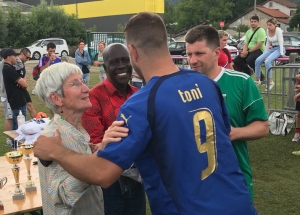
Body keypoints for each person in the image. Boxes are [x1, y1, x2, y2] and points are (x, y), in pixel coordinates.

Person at [33, 12, 257, 215]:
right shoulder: (207, 84)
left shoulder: (141, 103)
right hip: (238, 204)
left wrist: (56, 151)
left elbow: (103, 173)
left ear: (132, 52)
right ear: (165, 43)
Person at [185, 25, 269, 202]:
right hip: (192, 183)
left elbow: (262, 127)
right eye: (189, 54)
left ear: (217, 53)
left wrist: (233, 132)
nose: (192, 61)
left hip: (234, 179)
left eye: (199, 54)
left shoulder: (241, 82)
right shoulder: (180, 86)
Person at [81, 43, 146, 215]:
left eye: (125, 60)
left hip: (137, 179)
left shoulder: (138, 95)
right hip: (110, 183)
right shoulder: (94, 98)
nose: (121, 66)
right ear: (105, 67)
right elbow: (97, 144)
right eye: (114, 62)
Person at [35, 62, 106, 215]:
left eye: (83, 82)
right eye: (75, 84)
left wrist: (91, 155)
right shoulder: (52, 139)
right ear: (56, 98)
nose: (86, 89)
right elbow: (60, 198)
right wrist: (93, 164)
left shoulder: (75, 130)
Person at [255, 18, 286, 91]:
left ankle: (270, 81)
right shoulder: (267, 31)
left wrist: (281, 53)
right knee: (258, 60)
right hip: (272, 48)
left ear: (275, 25)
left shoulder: (278, 30)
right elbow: (268, 43)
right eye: (267, 25)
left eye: (270, 25)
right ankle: (257, 80)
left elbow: (281, 41)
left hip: (279, 48)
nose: (268, 27)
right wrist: (265, 54)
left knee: (268, 61)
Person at [2, 49, 28, 130]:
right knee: (19, 126)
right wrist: (23, 82)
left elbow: (22, 82)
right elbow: (24, 84)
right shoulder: (8, 69)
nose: (17, 58)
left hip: (18, 99)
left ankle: (15, 142)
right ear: (9, 58)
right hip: (16, 101)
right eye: (14, 56)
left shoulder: (10, 68)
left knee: (17, 124)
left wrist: (22, 82)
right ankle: (16, 142)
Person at [15, 48, 37, 119]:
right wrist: (21, 80)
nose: (28, 59)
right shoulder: (15, 63)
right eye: (27, 57)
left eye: (29, 58)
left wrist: (24, 79)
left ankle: (38, 123)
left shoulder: (21, 63)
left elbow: (22, 75)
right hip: (16, 90)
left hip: (23, 88)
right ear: (21, 54)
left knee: (30, 105)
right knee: (19, 111)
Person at [0, 49, 13, 146]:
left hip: (9, 94)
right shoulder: (3, 65)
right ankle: (8, 140)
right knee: (9, 118)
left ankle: (11, 137)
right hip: (6, 94)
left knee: (12, 117)